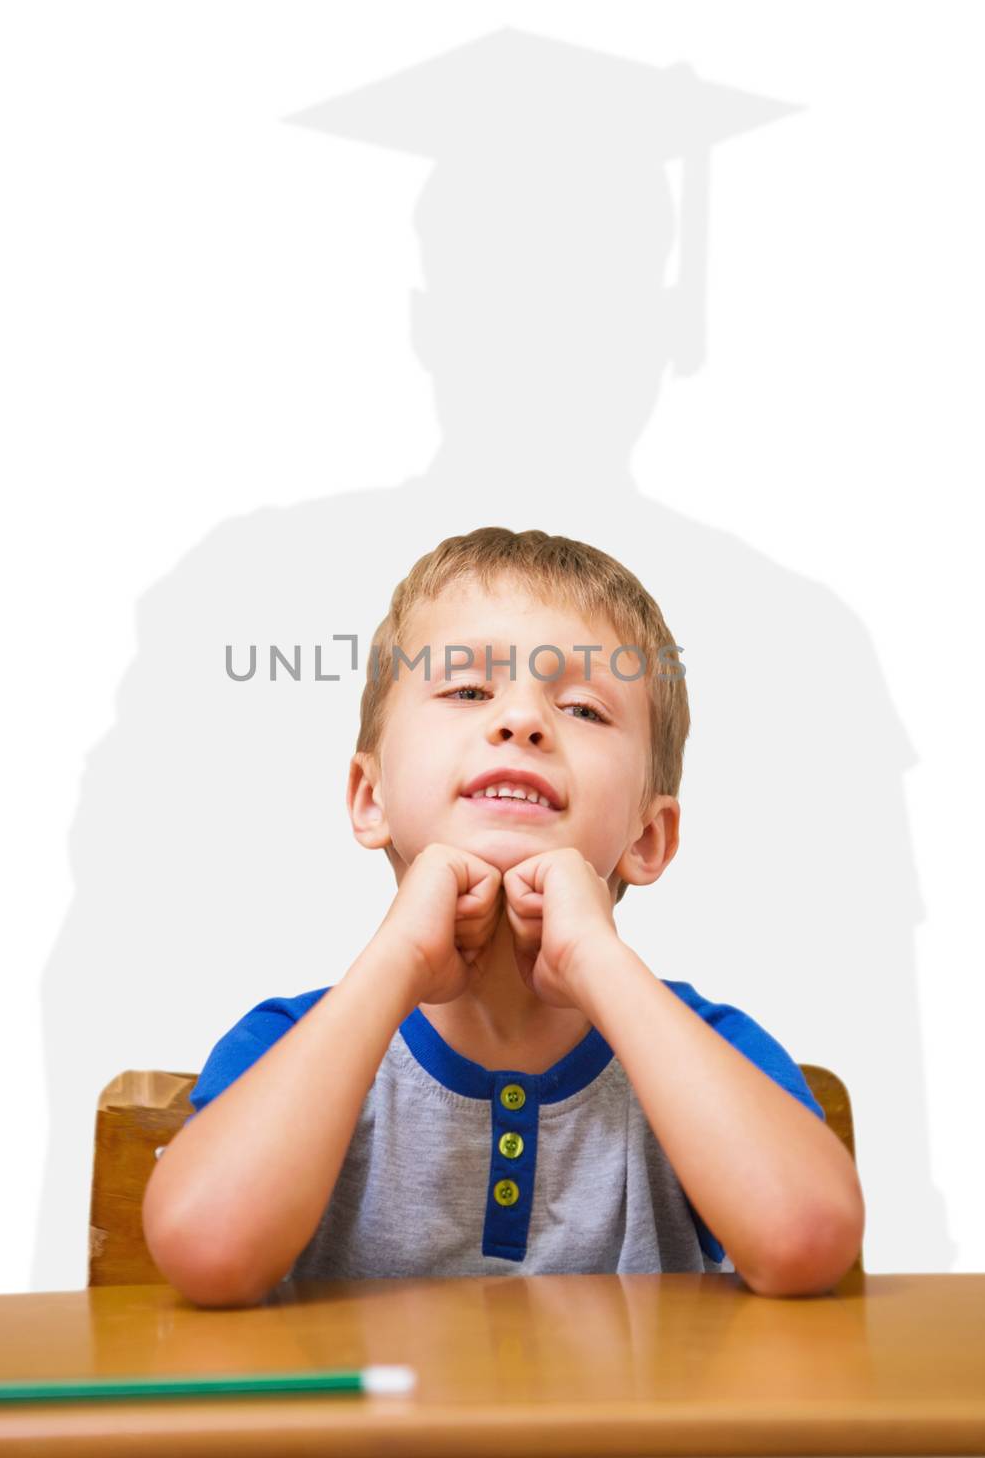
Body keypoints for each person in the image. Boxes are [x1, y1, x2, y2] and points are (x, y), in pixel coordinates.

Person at [142, 526, 865, 1306]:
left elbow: (805, 1240)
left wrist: (599, 960)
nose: (521, 721)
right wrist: (393, 959)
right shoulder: (289, 1045)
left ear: (648, 838)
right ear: (369, 796)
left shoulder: (704, 1053)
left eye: (584, 708)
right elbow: (207, 1250)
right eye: (466, 692)